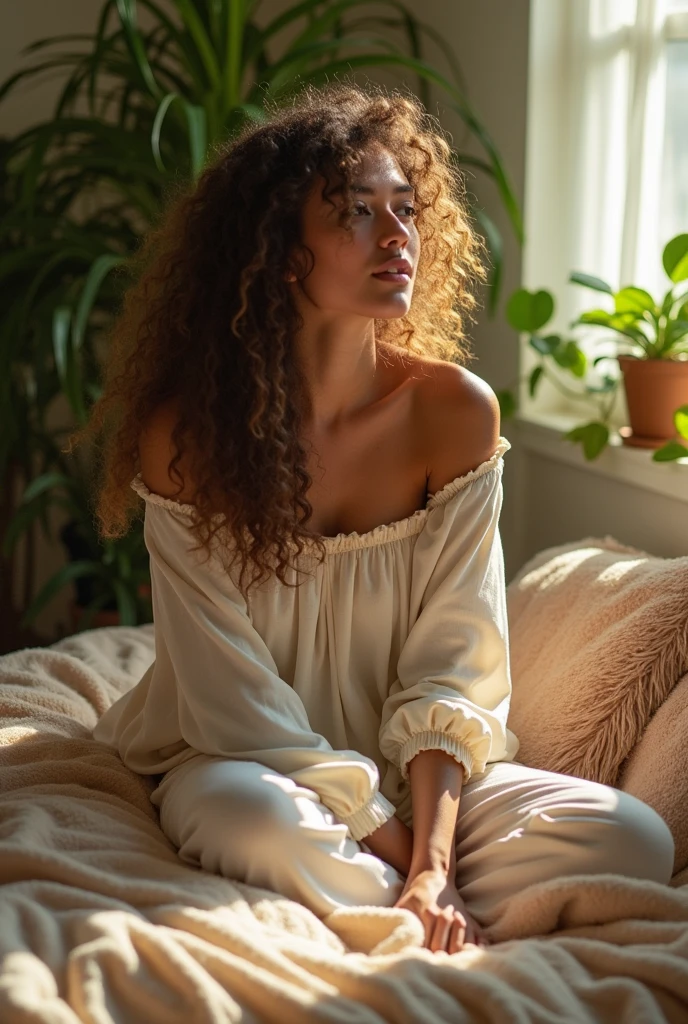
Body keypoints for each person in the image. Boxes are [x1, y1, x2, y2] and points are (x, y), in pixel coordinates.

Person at [84, 82, 675, 956]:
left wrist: (431, 854)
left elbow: (454, 667)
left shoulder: (453, 414)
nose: (397, 235)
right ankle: (420, 919)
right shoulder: (187, 436)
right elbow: (233, 702)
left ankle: (402, 905)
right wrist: (400, 851)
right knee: (255, 823)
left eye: (405, 208)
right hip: (246, 764)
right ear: (280, 250)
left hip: (416, 776)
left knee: (633, 836)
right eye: (357, 213)